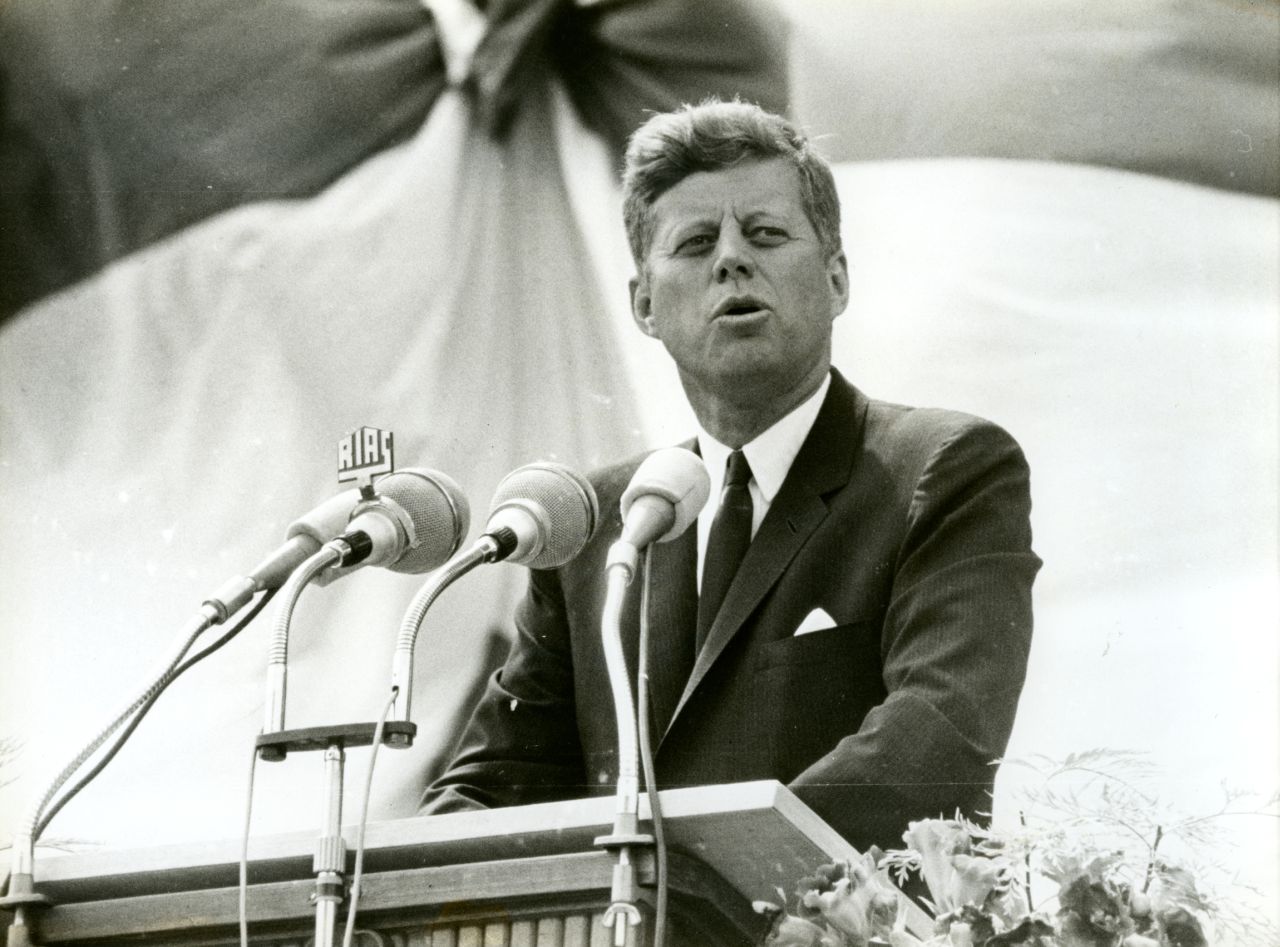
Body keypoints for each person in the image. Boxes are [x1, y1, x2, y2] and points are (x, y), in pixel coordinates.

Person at [421, 100, 1041, 854]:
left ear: (838, 278)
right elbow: (492, 785)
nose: (731, 259)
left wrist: (683, 884)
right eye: (694, 242)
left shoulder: (943, 469)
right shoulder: (595, 528)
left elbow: (939, 737)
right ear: (645, 304)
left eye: (767, 233)